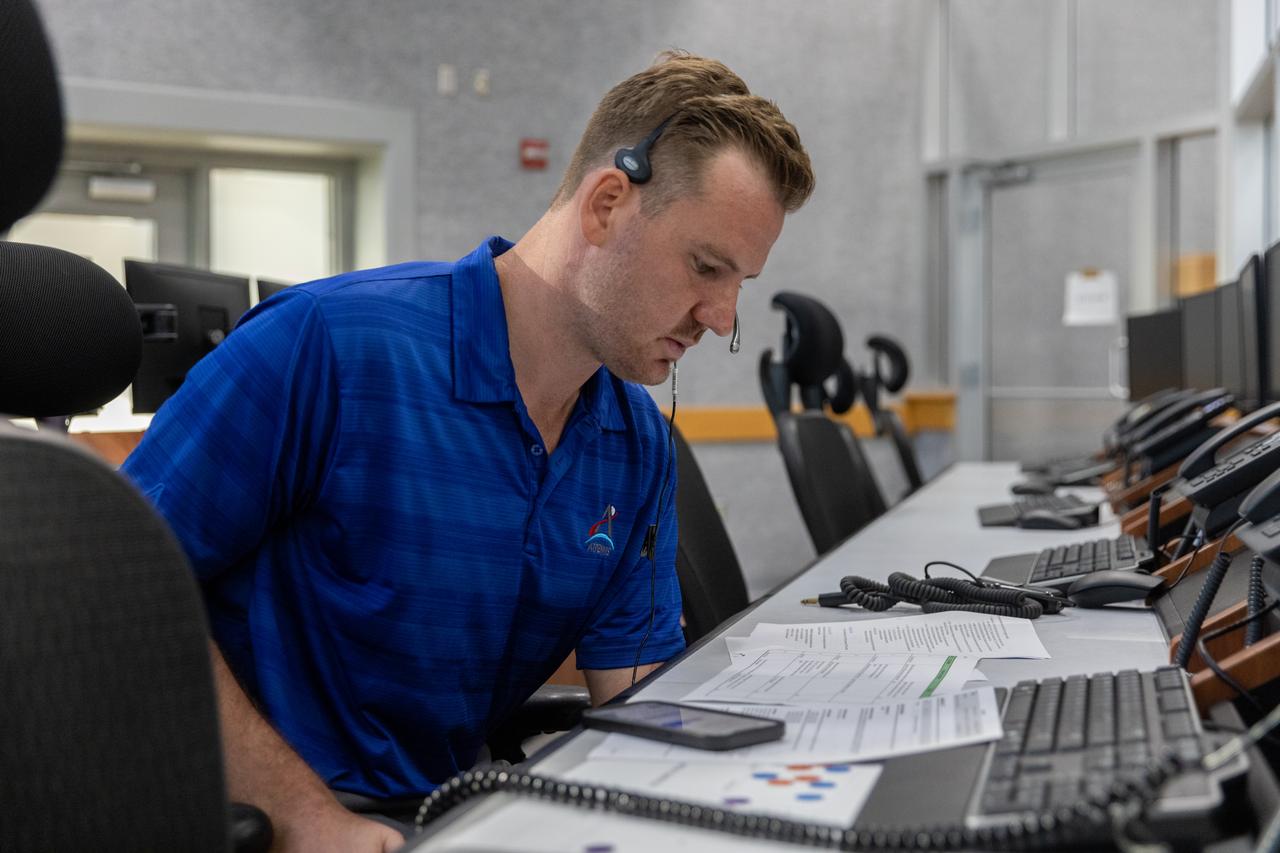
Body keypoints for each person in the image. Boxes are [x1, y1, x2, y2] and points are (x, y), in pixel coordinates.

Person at [122, 50, 813, 851]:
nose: (723, 317)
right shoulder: (326, 348)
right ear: (607, 204)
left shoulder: (637, 445)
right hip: (269, 819)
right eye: (706, 267)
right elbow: (117, 590)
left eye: (743, 284)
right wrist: (303, 816)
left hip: (450, 817)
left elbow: (638, 705)